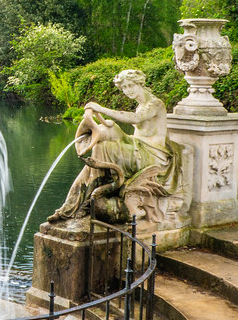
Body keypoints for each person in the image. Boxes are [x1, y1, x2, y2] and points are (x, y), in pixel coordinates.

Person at [49, 69, 183, 224]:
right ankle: (70, 207)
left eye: (130, 85)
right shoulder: (140, 105)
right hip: (139, 147)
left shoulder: (155, 104)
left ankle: (83, 204)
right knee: (106, 135)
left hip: (153, 154)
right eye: (124, 87)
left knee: (102, 149)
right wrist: (97, 117)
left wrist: (101, 109)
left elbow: (136, 118)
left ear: (140, 83)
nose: (127, 91)